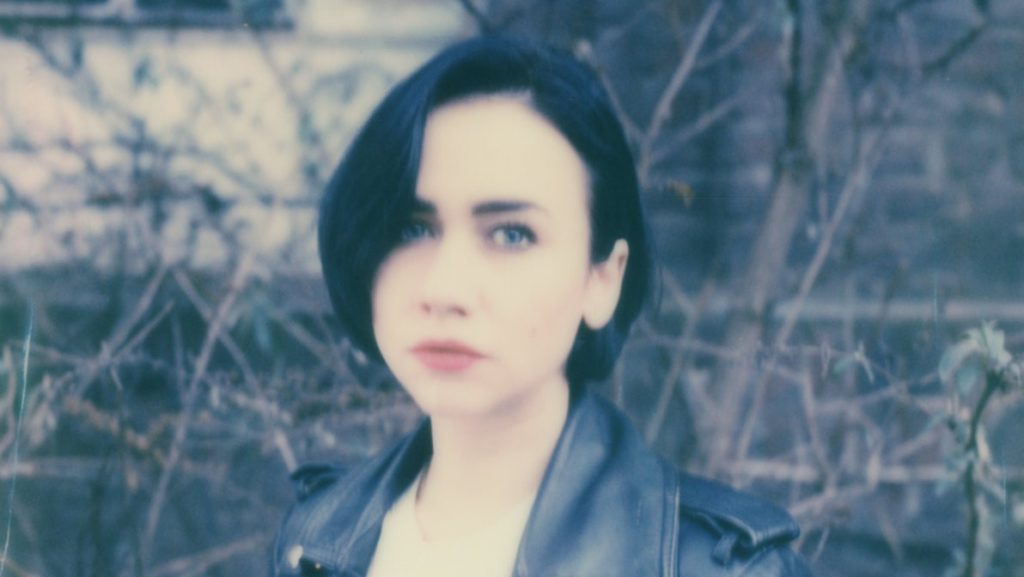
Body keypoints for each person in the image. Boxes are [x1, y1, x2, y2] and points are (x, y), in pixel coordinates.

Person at [271, 36, 813, 577]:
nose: (445, 289)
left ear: (603, 278)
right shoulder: (316, 540)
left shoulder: (725, 569)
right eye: (413, 229)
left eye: (511, 234)